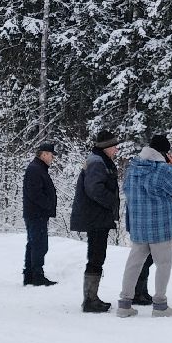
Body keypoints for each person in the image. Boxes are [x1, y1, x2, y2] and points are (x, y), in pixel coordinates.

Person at [117, 134, 172, 319]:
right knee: (163, 264)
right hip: (160, 226)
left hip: (139, 225)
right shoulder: (163, 170)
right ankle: (160, 305)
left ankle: (124, 304)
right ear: (163, 152)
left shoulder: (133, 168)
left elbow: (126, 190)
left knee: (133, 264)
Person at [69, 130, 121, 314]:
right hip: (96, 217)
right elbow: (94, 189)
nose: (116, 149)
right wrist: (111, 201)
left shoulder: (98, 160)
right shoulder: (97, 162)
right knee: (96, 256)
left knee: (97, 256)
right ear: (106, 147)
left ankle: (92, 297)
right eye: (114, 145)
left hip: (98, 216)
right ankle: (90, 300)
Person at [21, 142, 57, 287]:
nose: (52, 158)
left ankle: (30, 275)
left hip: (36, 213)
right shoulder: (36, 169)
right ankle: (36, 276)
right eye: (51, 154)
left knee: (34, 243)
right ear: (43, 154)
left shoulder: (38, 168)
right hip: (36, 214)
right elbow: (34, 193)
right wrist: (48, 204)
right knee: (39, 244)